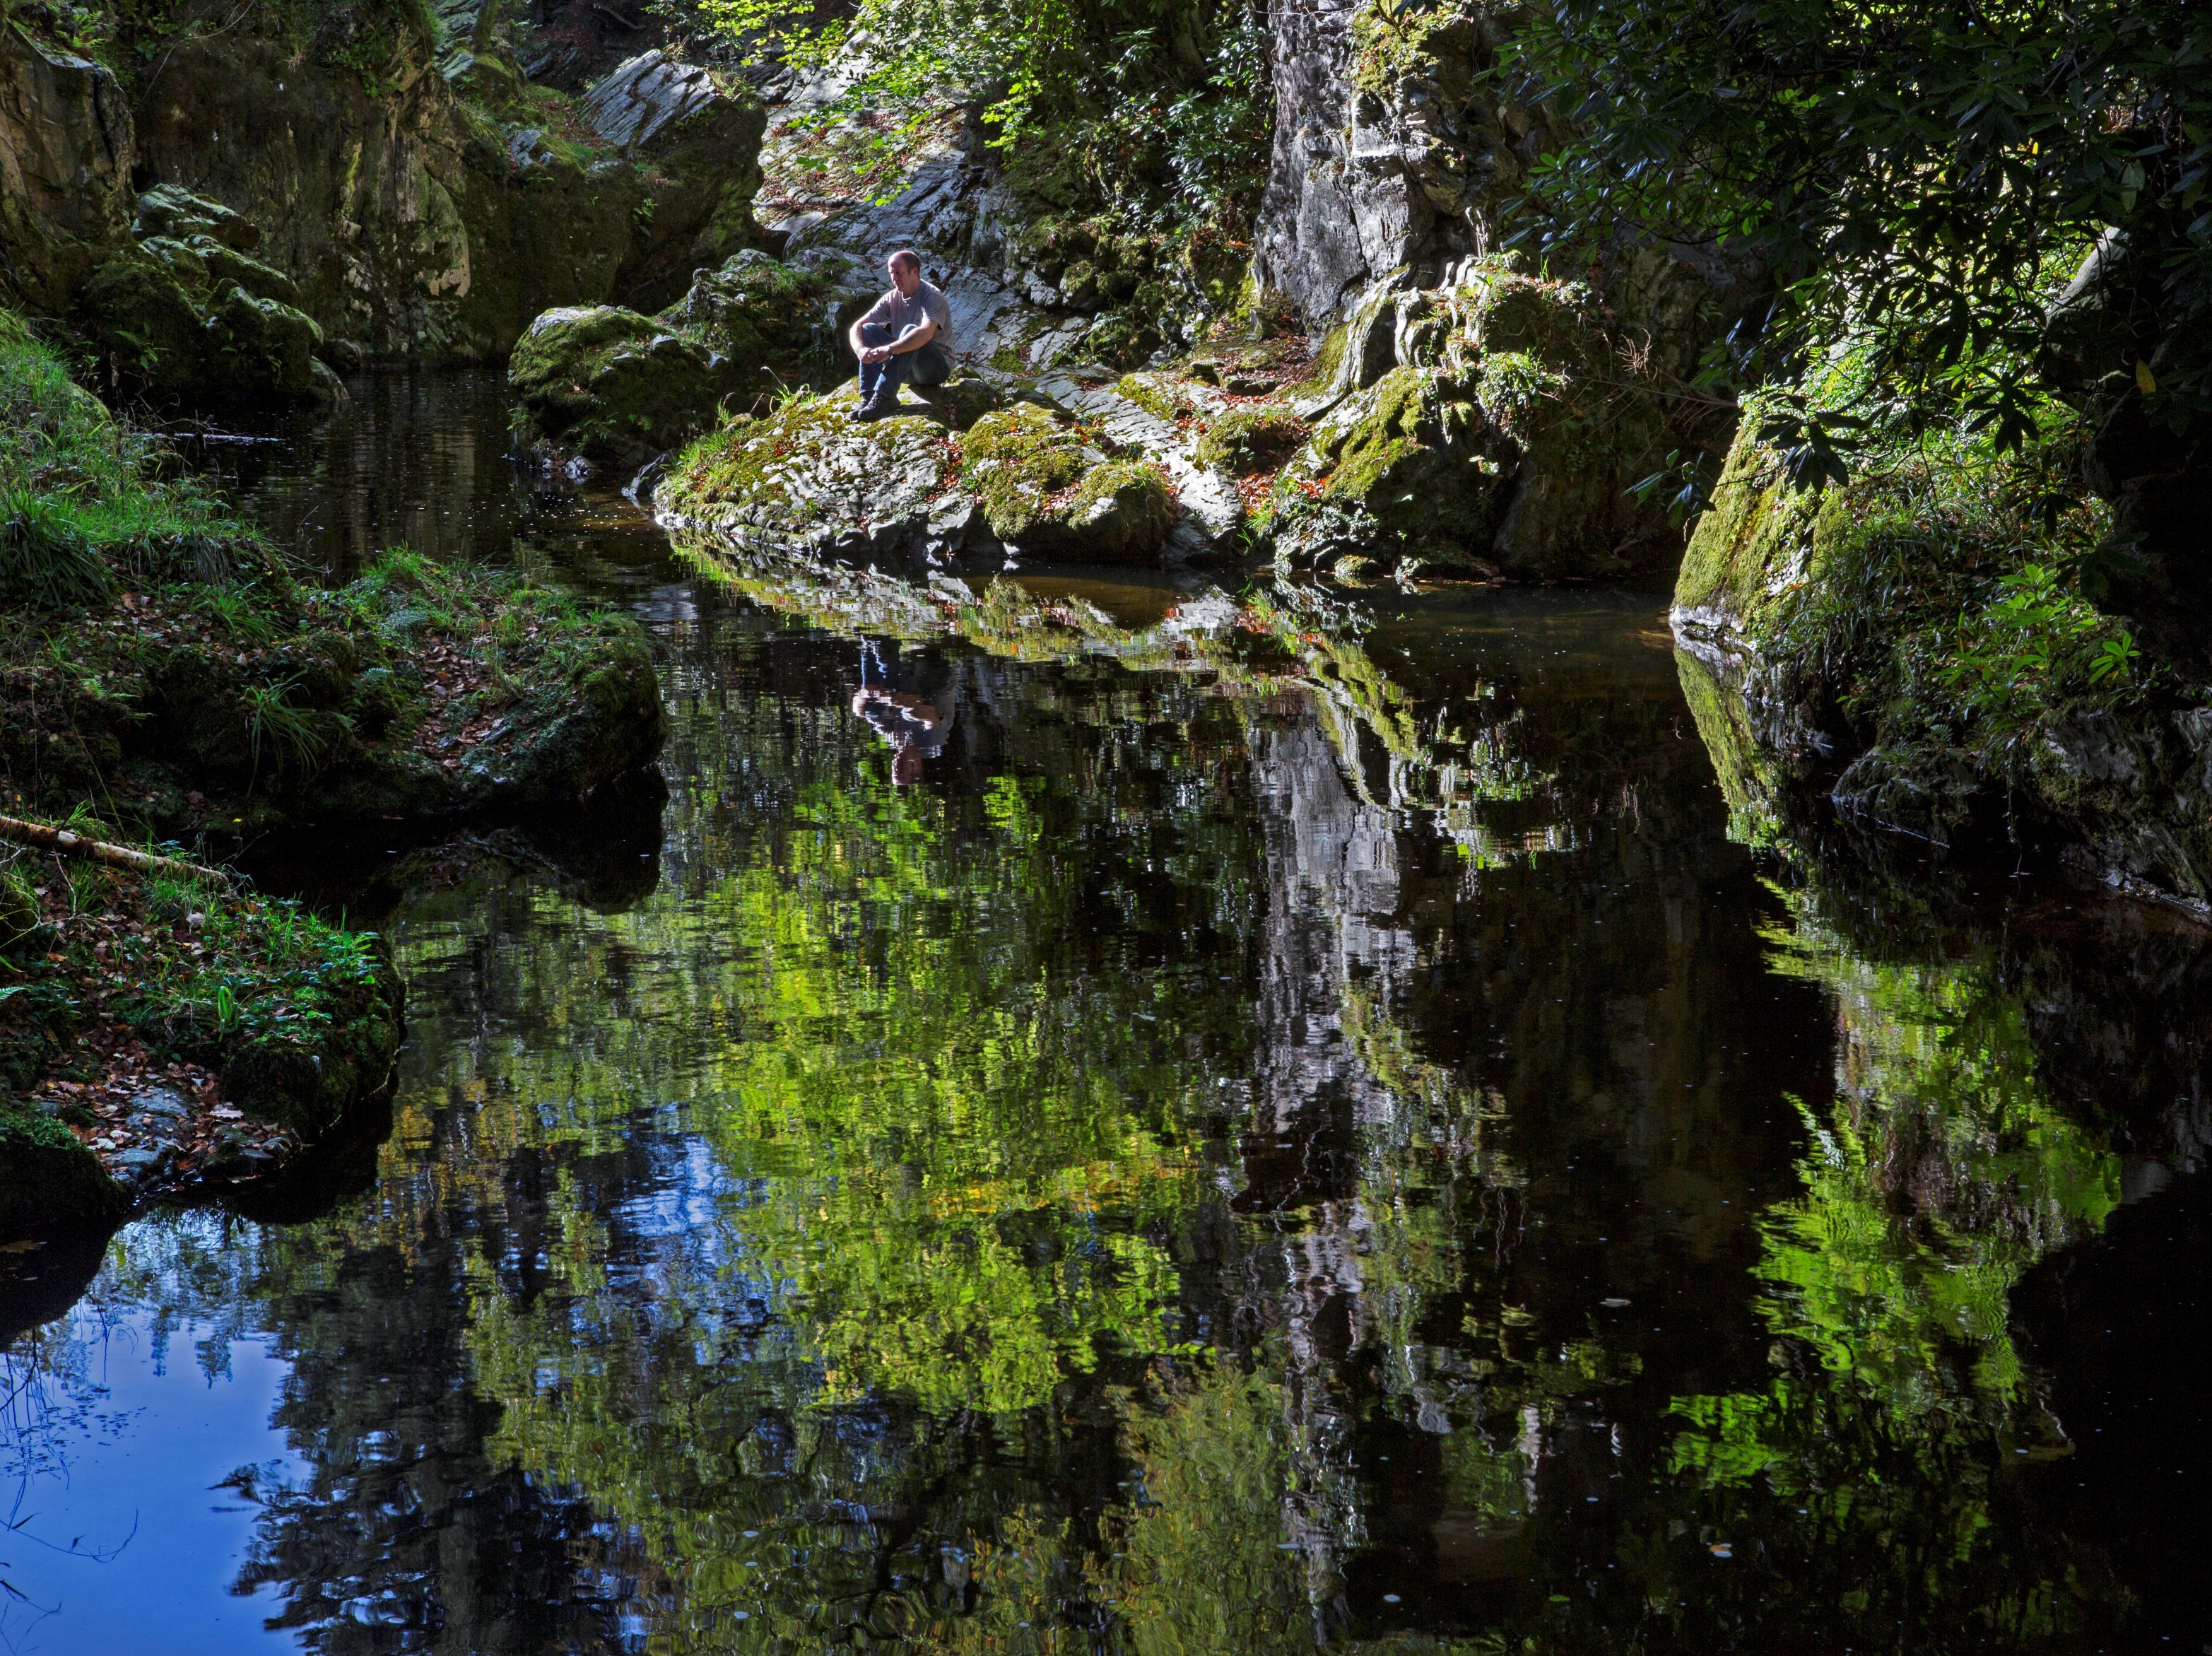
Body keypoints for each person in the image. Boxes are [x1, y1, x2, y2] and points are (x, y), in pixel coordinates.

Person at [847, 249, 953, 421]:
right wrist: (861, 350)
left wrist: (889, 350)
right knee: (867, 330)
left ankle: (885, 396)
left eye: (899, 273)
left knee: (911, 331)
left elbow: (925, 334)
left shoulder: (932, 297)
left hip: (935, 370)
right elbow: (856, 326)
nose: (894, 278)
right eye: (891, 273)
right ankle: (869, 397)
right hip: (905, 367)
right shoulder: (891, 298)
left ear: (914, 272)